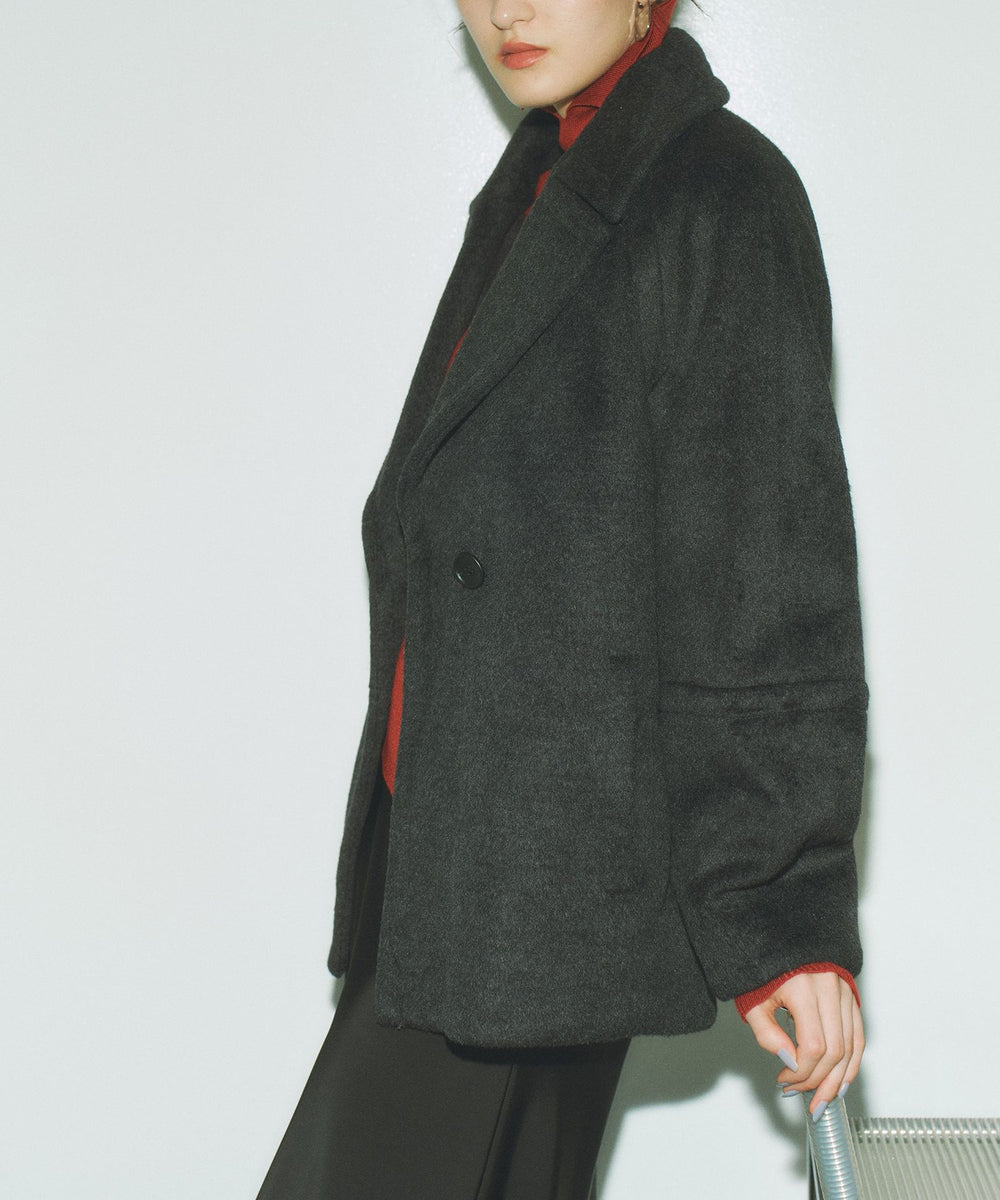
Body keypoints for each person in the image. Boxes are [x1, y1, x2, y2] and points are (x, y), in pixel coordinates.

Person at [255, 1, 868, 1196]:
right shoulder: (545, 178)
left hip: (545, 884)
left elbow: (764, 572)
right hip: (455, 868)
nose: (505, 9)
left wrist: (782, 913)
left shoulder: (717, 196)